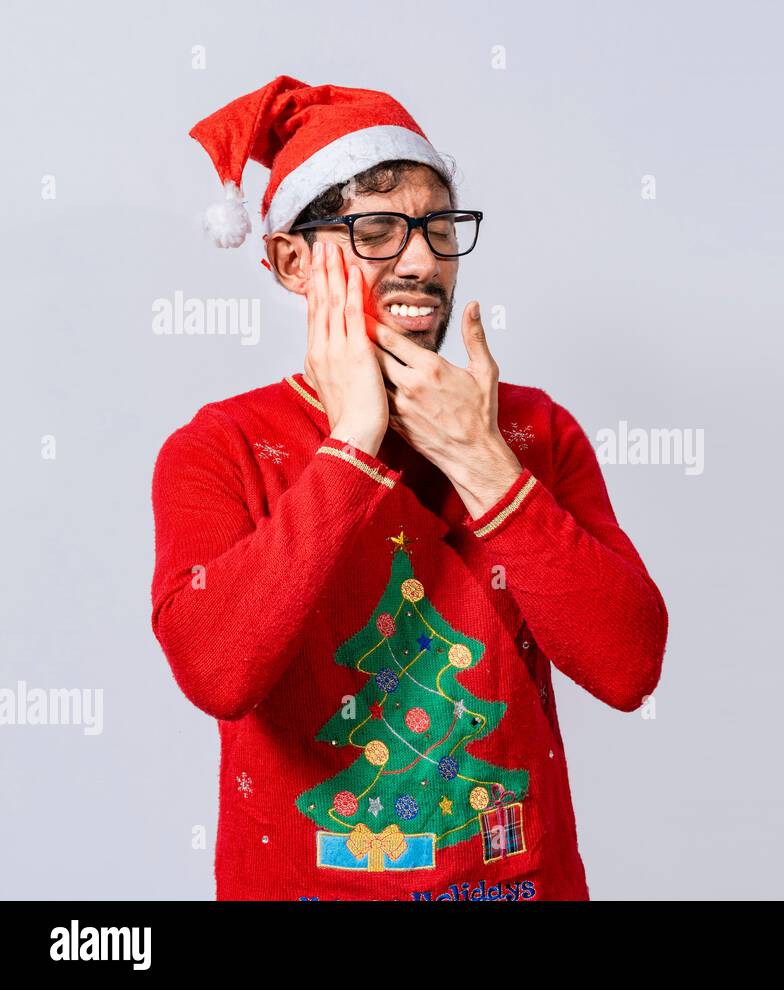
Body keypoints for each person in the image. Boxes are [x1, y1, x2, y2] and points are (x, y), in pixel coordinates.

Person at [150, 76, 668, 901]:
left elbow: (628, 665)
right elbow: (218, 673)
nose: (423, 261)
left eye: (438, 229)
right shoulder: (219, 448)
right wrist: (351, 444)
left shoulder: (534, 432)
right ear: (291, 260)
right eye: (378, 230)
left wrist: (484, 462)